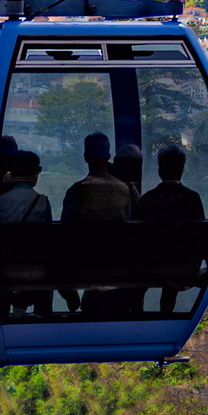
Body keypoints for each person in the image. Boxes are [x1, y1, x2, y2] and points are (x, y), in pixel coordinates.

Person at [61, 132, 133, 315]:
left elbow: (65, 232)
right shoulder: (123, 189)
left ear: (85, 157)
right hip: (118, 264)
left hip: (85, 265)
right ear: (108, 157)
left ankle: (73, 296)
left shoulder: (76, 190)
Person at [138, 144, 206, 313]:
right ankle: (166, 314)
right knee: (172, 279)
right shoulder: (192, 198)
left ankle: (138, 314)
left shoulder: (147, 199)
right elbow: (200, 236)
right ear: (182, 170)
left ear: (160, 170)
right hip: (183, 269)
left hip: (151, 267)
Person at [0, 150, 52, 317]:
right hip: (34, 271)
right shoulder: (42, 202)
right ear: (36, 172)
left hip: (4, 269)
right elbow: (48, 238)